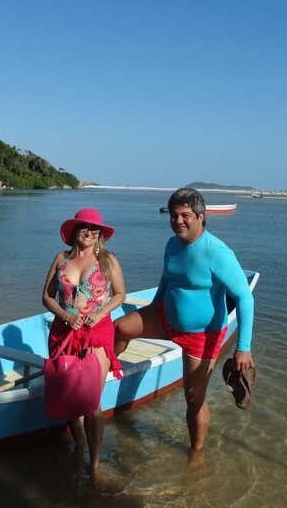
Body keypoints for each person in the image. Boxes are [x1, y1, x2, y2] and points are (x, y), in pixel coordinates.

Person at [114, 187, 255, 462]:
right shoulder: (172, 244)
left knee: (194, 396)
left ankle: (196, 454)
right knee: (120, 328)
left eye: (185, 215)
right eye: (174, 215)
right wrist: (153, 308)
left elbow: (244, 298)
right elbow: (166, 279)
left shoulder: (218, 253)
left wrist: (243, 347)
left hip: (201, 334)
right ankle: (110, 372)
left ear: (200, 216)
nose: (178, 220)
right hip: (165, 317)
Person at [42, 208, 126, 480]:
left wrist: (99, 314)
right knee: (68, 395)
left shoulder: (107, 260)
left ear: (100, 234)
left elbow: (120, 294)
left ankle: (95, 464)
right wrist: (66, 316)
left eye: (94, 229)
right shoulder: (61, 258)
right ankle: (79, 447)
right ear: (74, 231)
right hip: (62, 332)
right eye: (84, 227)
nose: (89, 232)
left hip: (96, 333)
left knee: (90, 401)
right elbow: (47, 296)